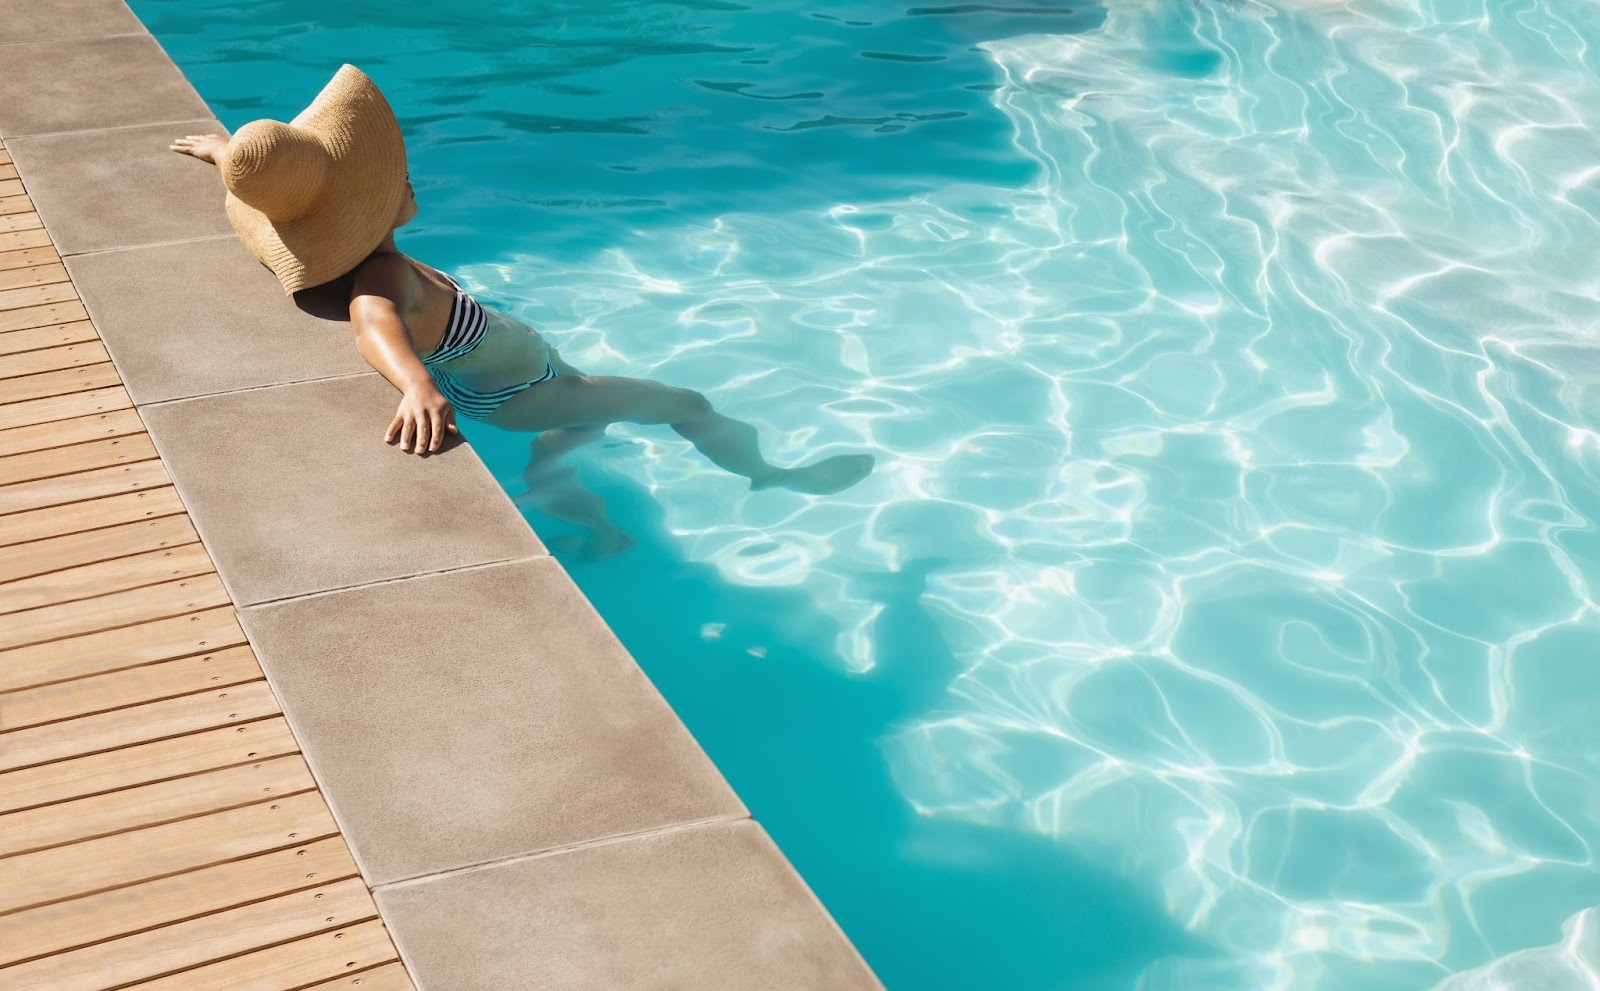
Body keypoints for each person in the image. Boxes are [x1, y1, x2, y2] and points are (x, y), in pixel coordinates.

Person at [172, 64, 873, 557]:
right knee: (684, 401)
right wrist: (414, 383)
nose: (403, 177)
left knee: (568, 436)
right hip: (525, 391)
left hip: (524, 384)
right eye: (387, 179)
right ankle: (767, 475)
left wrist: (229, 154)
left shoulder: (360, 256)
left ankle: (593, 521)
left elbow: (285, 192)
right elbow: (372, 322)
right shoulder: (381, 275)